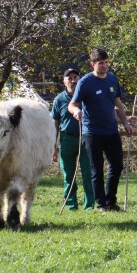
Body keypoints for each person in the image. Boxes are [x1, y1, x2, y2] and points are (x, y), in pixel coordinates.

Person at [68, 48, 135, 212]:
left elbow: (118, 104)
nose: (105, 66)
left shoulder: (112, 79)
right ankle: (101, 205)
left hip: (111, 130)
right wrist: (76, 111)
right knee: (97, 169)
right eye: (101, 63)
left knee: (117, 166)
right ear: (93, 64)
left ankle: (111, 201)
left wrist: (125, 123)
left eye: (106, 62)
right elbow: (72, 104)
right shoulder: (85, 82)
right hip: (91, 132)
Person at [52, 67, 96, 210]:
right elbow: (55, 123)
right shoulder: (59, 100)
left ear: (79, 79)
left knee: (88, 173)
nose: (73, 80)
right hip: (67, 140)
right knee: (68, 175)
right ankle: (71, 205)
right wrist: (53, 145)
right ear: (64, 82)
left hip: (86, 138)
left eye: (75, 77)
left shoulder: (87, 96)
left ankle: (89, 205)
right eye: (69, 78)